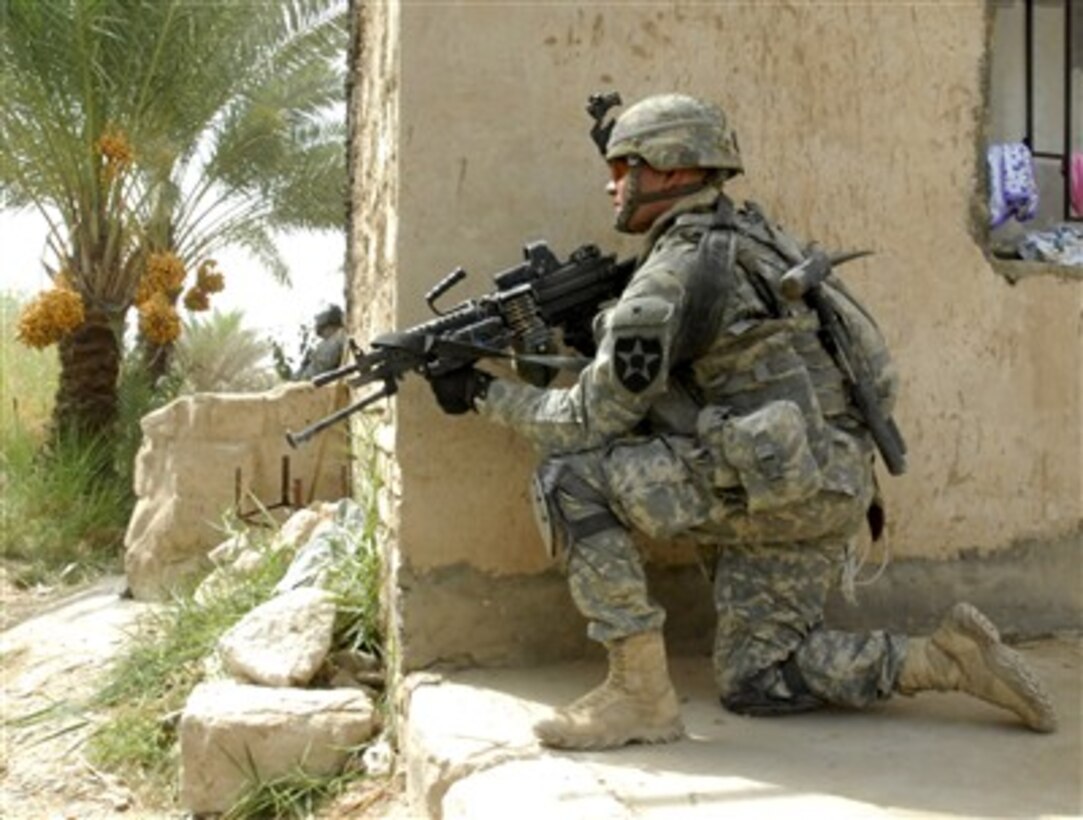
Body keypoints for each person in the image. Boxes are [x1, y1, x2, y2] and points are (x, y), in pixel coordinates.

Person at [425, 93, 1057, 750]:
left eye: (625, 166)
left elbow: (586, 422)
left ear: (671, 170)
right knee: (760, 678)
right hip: (825, 479)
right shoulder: (751, 234)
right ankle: (942, 659)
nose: (610, 183)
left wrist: (478, 393)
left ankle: (637, 696)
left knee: (568, 478)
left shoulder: (670, 274)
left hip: (782, 488)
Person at [296, 304, 346, 380]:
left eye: (322, 331)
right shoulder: (337, 339)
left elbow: (315, 373)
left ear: (329, 326)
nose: (322, 336)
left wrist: (303, 371)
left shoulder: (338, 337)